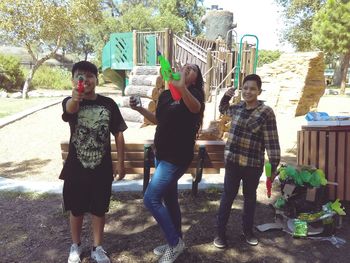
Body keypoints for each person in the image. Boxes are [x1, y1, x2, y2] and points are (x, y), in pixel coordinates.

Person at [129, 64, 205, 263]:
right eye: (185, 66)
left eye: (192, 68)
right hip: (160, 154)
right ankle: (176, 239)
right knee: (170, 200)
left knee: (151, 199)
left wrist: (181, 87)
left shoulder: (195, 94)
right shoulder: (164, 95)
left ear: (195, 79)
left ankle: (174, 244)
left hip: (177, 157)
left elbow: (195, 108)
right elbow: (159, 120)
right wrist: (139, 109)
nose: (187, 68)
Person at [60, 61, 127, 263]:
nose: (85, 80)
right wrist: (75, 98)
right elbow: (70, 111)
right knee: (77, 209)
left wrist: (121, 163)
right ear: (73, 80)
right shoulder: (70, 101)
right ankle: (76, 246)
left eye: (90, 75)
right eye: (80, 75)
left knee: (99, 209)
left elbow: (119, 134)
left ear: (97, 80)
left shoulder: (109, 104)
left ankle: (97, 247)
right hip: (76, 169)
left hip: (102, 169)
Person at [213, 74, 280, 248]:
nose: (248, 91)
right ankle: (220, 233)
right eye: (245, 88)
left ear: (259, 91)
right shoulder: (238, 107)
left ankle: (248, 231)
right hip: (233, 162)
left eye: (252, 89)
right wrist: (227, 95)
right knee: (227, 197)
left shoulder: (266, 112)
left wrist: (273, 164)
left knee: (250, 199)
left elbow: (271, 141)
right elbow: (223, 109)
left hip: (252, 165)